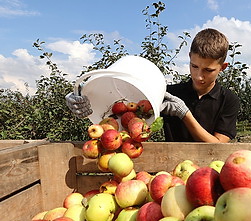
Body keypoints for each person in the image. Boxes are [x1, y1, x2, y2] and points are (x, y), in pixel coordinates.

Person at [66, 28, 239, 143]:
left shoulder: (228, 100)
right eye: (194, 66)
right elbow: (122, 114)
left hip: (210, 177)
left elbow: (217, 146)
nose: (199, 76)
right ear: (189, 57)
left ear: (222, 68)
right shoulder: (169, 93)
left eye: (208, 70)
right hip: (171, 173)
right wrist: (86, 101)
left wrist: (184, 114)